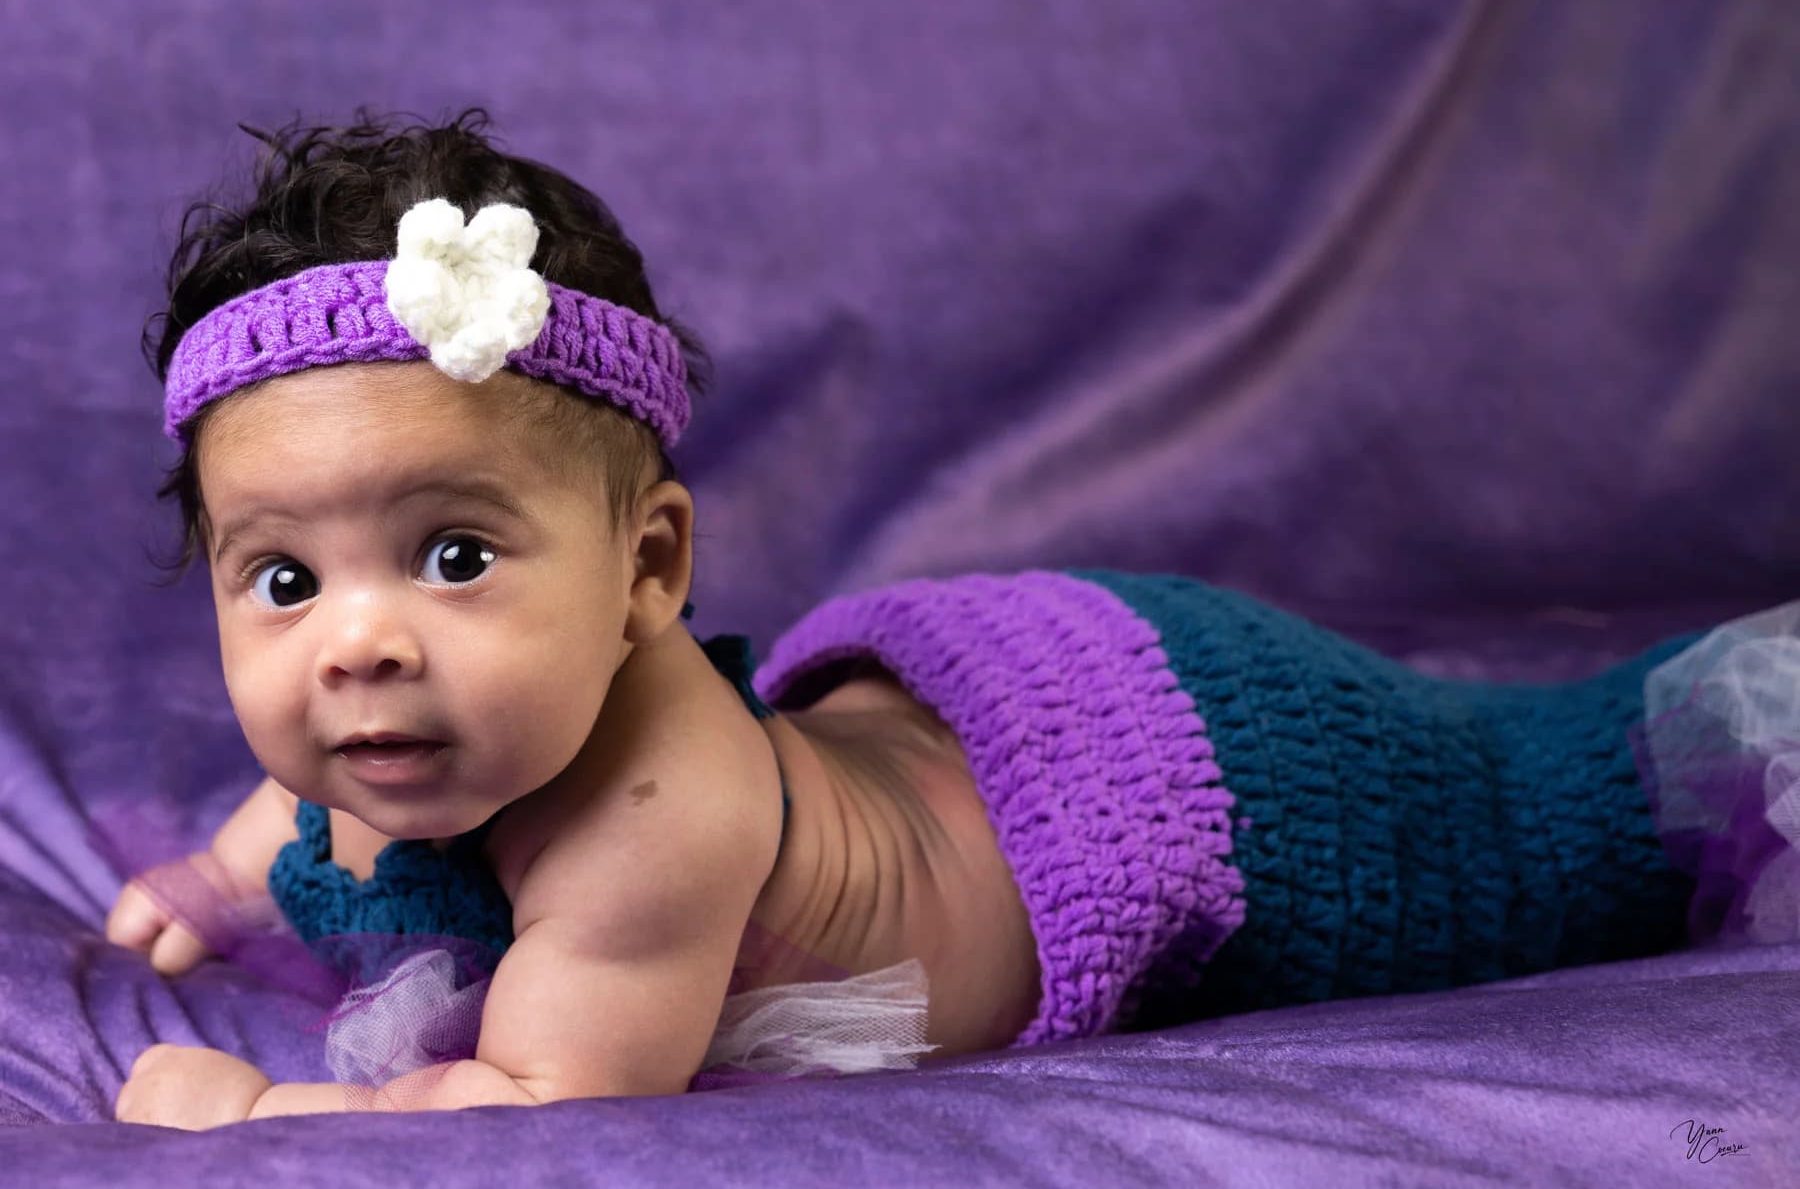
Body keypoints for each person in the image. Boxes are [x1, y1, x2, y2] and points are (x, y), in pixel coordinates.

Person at [103, 110, 1796, 1130]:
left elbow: (531, 1106)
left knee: (1550, 816)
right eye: (281, 579)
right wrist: (228, 868)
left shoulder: (645, 827)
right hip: (952, 715)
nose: (359, 645)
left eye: (458, 555)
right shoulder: (404, 701)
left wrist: (261, 1110)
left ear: (648, 572)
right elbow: (320, 778)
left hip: (1189, 773)